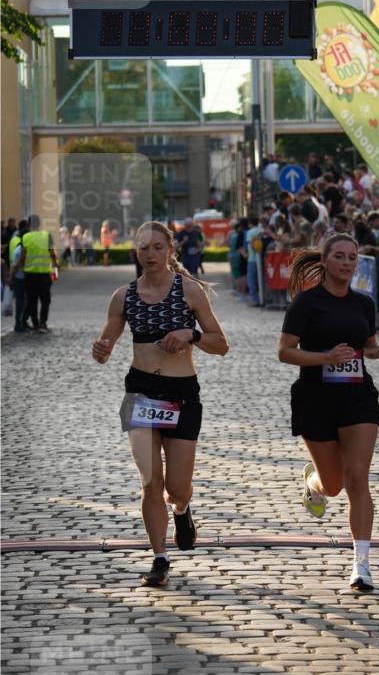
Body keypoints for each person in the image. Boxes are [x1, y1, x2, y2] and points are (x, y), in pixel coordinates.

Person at [91, 221, 229, 587]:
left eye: (156, 247)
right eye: (143, 249)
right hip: (140, 392)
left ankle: (182, 510)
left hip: (182, 393)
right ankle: (159, 557)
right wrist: (101, 350)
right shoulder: (123, 296)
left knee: (176, 487)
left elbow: (220, 344)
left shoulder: (190, 291)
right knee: (151, 481)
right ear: (136, 253)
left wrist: (191, 334)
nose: (149, 255)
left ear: (170, 250)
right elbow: (105, 346)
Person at [277, 233, 379, 593]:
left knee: (357, 476)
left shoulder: (363, 303)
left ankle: (361, 564)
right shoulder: (306, 304)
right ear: (325, 261)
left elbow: (367, 347)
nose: (346, 263)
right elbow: (285, 351)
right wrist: (324, 358)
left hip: (358, 396)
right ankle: (313, 483)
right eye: (339, 257)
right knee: (334, 484)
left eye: (352, 257)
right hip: (316, 397)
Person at [21, 214, 58, 333]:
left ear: (29, 224)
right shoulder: (47, 235)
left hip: (30, 273)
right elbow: (52, 253)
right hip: (44, 274)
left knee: (32, 300)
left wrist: (24, 267)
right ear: (39, 224)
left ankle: (35, 324)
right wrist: (55, 266)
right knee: (45, 300)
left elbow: (23, 256)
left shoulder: (25, 237)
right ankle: (43, 323)